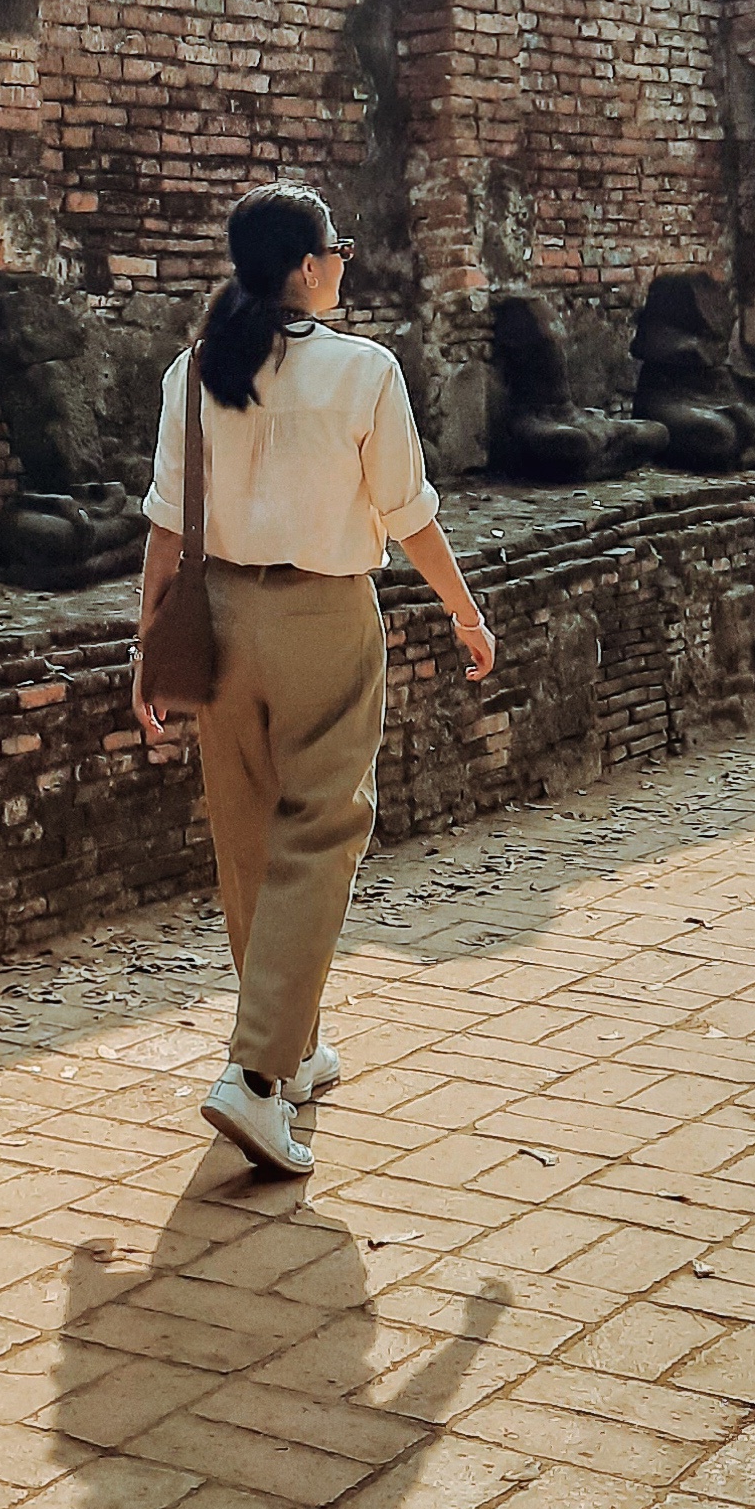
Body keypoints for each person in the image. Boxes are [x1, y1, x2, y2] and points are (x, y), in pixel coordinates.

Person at [133, 184, 496, 1175]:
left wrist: (147, 645)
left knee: (248, 834)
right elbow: (407, 512)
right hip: (324, 616)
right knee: (321, 830)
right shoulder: (363, 371)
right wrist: (464, 609)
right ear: (303, 265)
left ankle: (289, 1047)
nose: (345, 262)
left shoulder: (195, 367)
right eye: (336, 248)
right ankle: (253, 1078)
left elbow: (167, 522)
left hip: (219, 620)